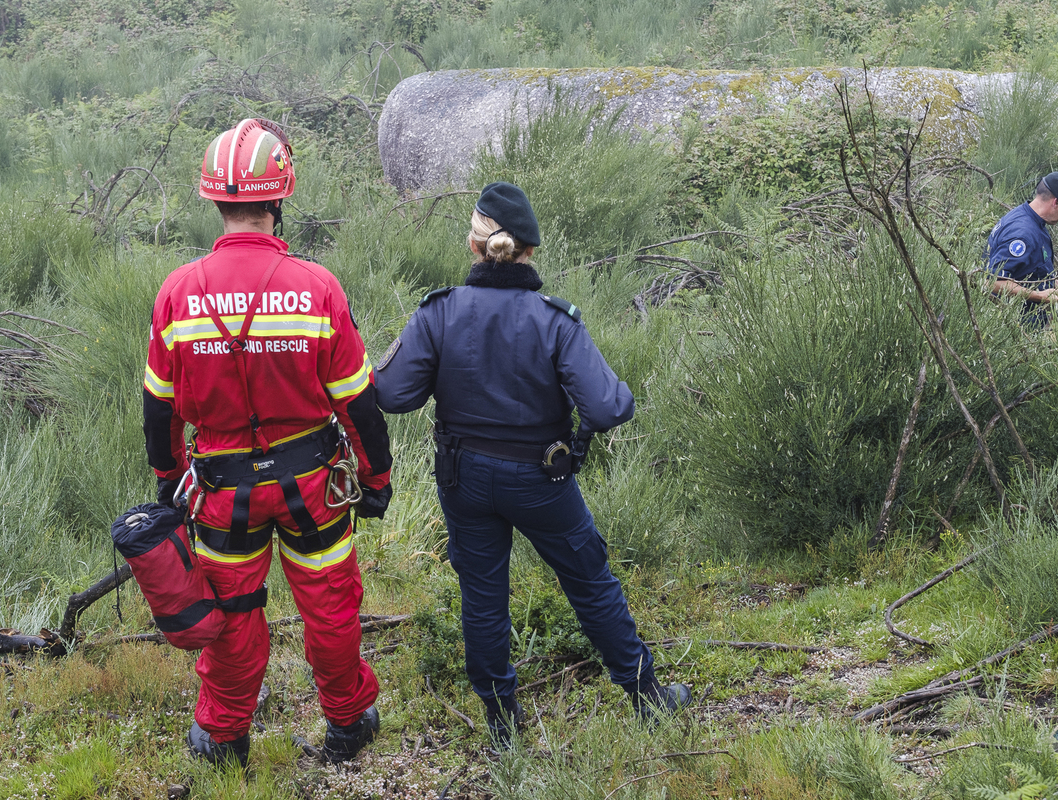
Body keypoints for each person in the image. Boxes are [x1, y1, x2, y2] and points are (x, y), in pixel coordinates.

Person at [373, 181, 690, 747]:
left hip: (462, 478)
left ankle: (502, 724)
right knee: (590, 582)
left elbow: (392, 395)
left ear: (474, 246)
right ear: (530, 251)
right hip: (542, 481)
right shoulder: (555, 320)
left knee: (482, 595)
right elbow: (610, 405)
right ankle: (648, 698)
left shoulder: (437, 313)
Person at [142, 118, 393, 768]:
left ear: (215, 199)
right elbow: (359, 404)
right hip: (313, 486)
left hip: (224, 496)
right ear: (278, 198)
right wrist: (377, 478)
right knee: (330, 610)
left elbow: (158, 408)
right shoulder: (317, 288)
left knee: (229, 620)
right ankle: (347, 722)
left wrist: (168, 477)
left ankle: (222, 738)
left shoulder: (177, 294)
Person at [986, 171, 1058, 328]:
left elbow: (1026, 266)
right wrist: (1039, 295)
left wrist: (1050, 282)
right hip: (1013, 328)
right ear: (1056, 203)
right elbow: (993, 282)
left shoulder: (1030, 218)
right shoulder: (1023, 233)